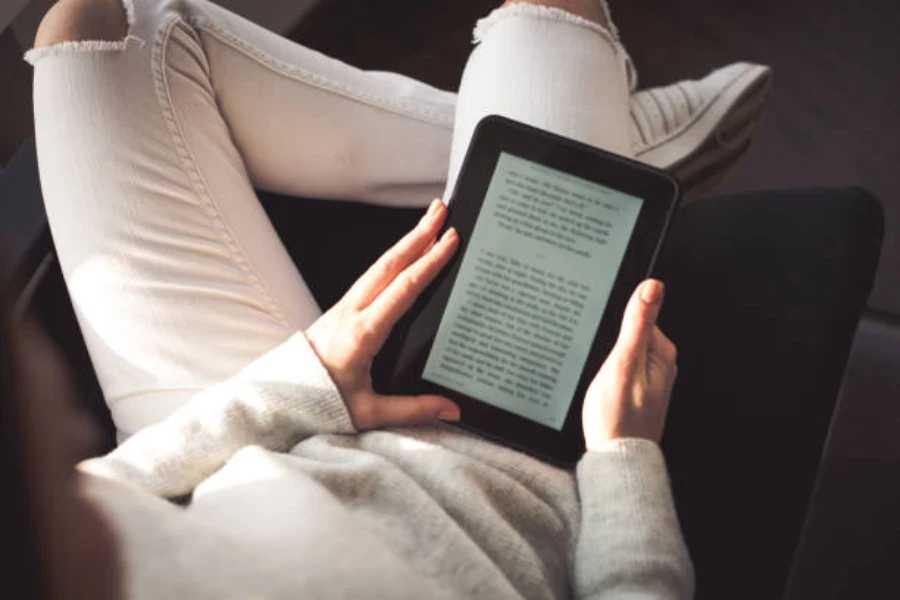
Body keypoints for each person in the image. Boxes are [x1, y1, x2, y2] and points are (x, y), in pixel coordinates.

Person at [14, 0, 773, 597]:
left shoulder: (45, 531)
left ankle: (602, 162)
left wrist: (299, 386)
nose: (79, 424)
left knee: (99, 40)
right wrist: (623, 458)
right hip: (487, 475)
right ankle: (602, 165)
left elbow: (100, 487)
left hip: (225, 450)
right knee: (549, 21)